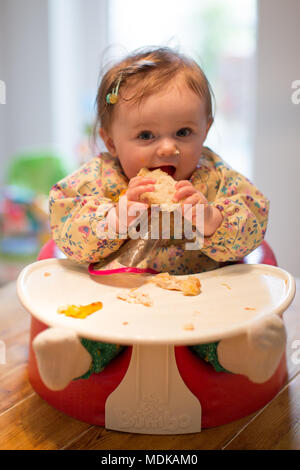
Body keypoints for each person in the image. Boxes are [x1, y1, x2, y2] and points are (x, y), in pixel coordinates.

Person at [34, 47, 286, 391]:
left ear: (206, 128)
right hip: (117, 294)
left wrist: (214, 220)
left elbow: (253, 213)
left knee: (218, 328)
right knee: (97, 329)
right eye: (146, 136)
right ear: (110, 140)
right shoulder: (100, 179)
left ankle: (245, 350)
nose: (168, 148)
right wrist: (114, 218)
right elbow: (67, 225)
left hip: (199, 296)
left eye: (183, 132)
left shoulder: (213, 177)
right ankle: (70, 355)